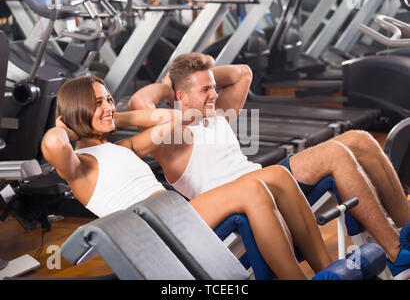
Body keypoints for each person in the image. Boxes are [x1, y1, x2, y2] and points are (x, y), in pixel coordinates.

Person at [128, 52, 410, 280]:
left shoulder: (217, 115)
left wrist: (200, 75)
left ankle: (407, 232)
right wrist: (169, 84)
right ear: (181, 97)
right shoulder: (171, 139)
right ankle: (397, 255)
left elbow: (242, 73)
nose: (214, 94)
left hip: (271, 181)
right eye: (205, 90)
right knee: (335, 152)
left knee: (357, 140)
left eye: (214, 87)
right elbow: (139, 101)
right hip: (243, 196)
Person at [41, 75, 338, 280]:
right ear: (76, 109)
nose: (108, 106)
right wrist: (69, 125)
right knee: (253, 191)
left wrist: (114, 116)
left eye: (108, 99)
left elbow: (175, 118)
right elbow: (53, 145)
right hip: (151, 230)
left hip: (174, 213)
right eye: (97, 102)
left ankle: (328, 269)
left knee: (275, 176)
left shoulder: (125, 147)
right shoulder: (79, 167)